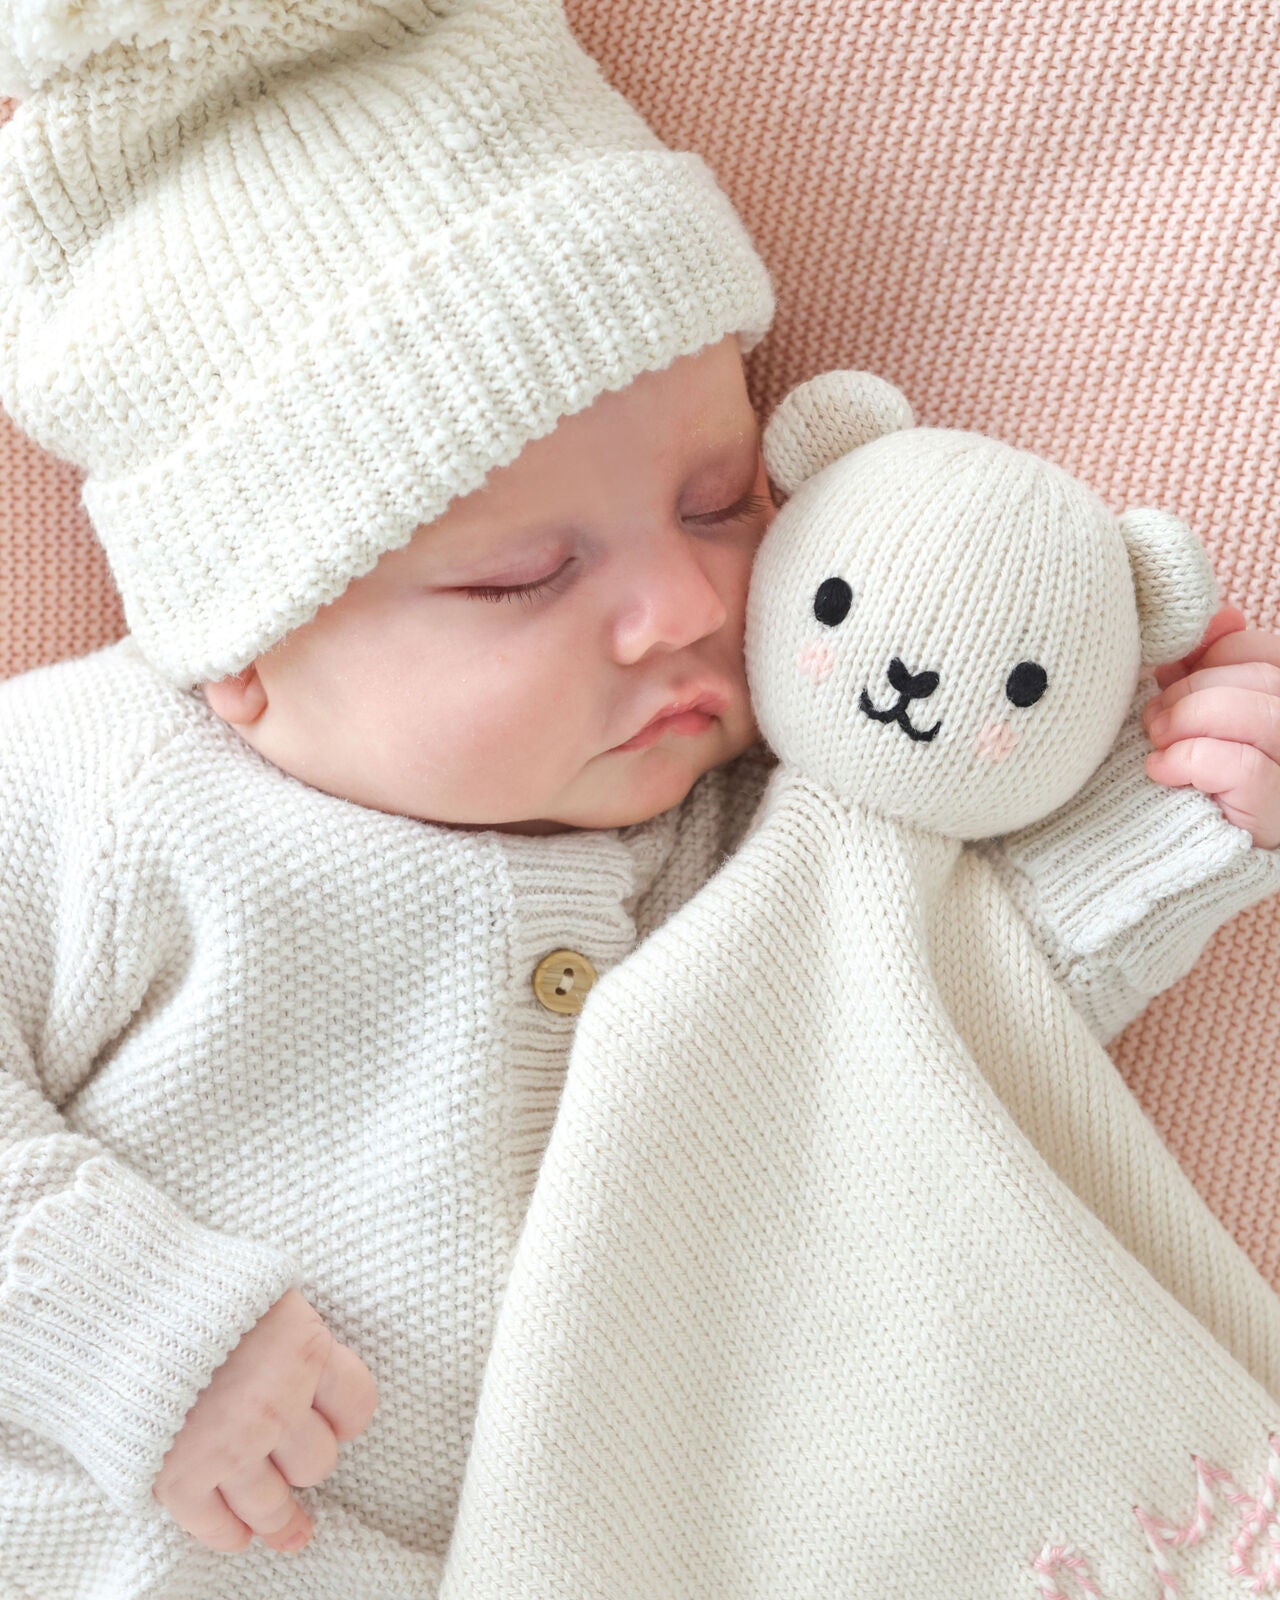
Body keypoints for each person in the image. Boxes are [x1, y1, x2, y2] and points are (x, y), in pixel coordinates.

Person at [0, 2, 1276, 1595]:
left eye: (722, 501)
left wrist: (1179, 816)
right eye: (524, 576)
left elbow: (911, 1026)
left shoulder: (751, 825)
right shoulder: (98, 791)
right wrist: (98, 1309)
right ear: (236, 647)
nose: (681, 603)